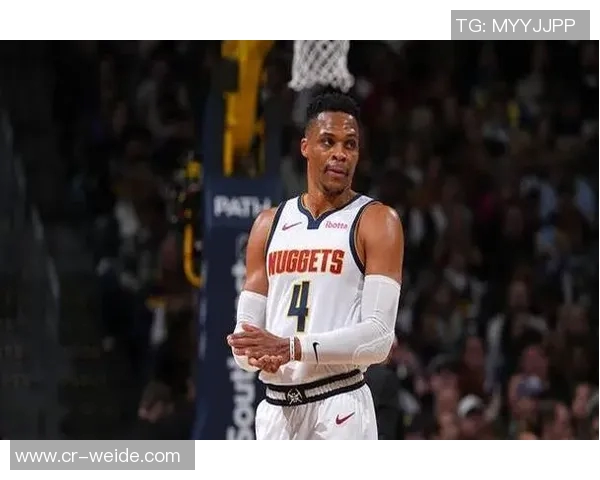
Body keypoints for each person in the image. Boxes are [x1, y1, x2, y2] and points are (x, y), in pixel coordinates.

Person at [227, 92, 404, 440]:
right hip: (275, 409)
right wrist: (256, 357)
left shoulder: (376, 221)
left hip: (340, 402)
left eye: (350, 144)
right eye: (328, 141)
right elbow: (245, 339)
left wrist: (293, 348)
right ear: (305, 147)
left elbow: (380, 338)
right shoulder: (268, 224)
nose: (341, 153)